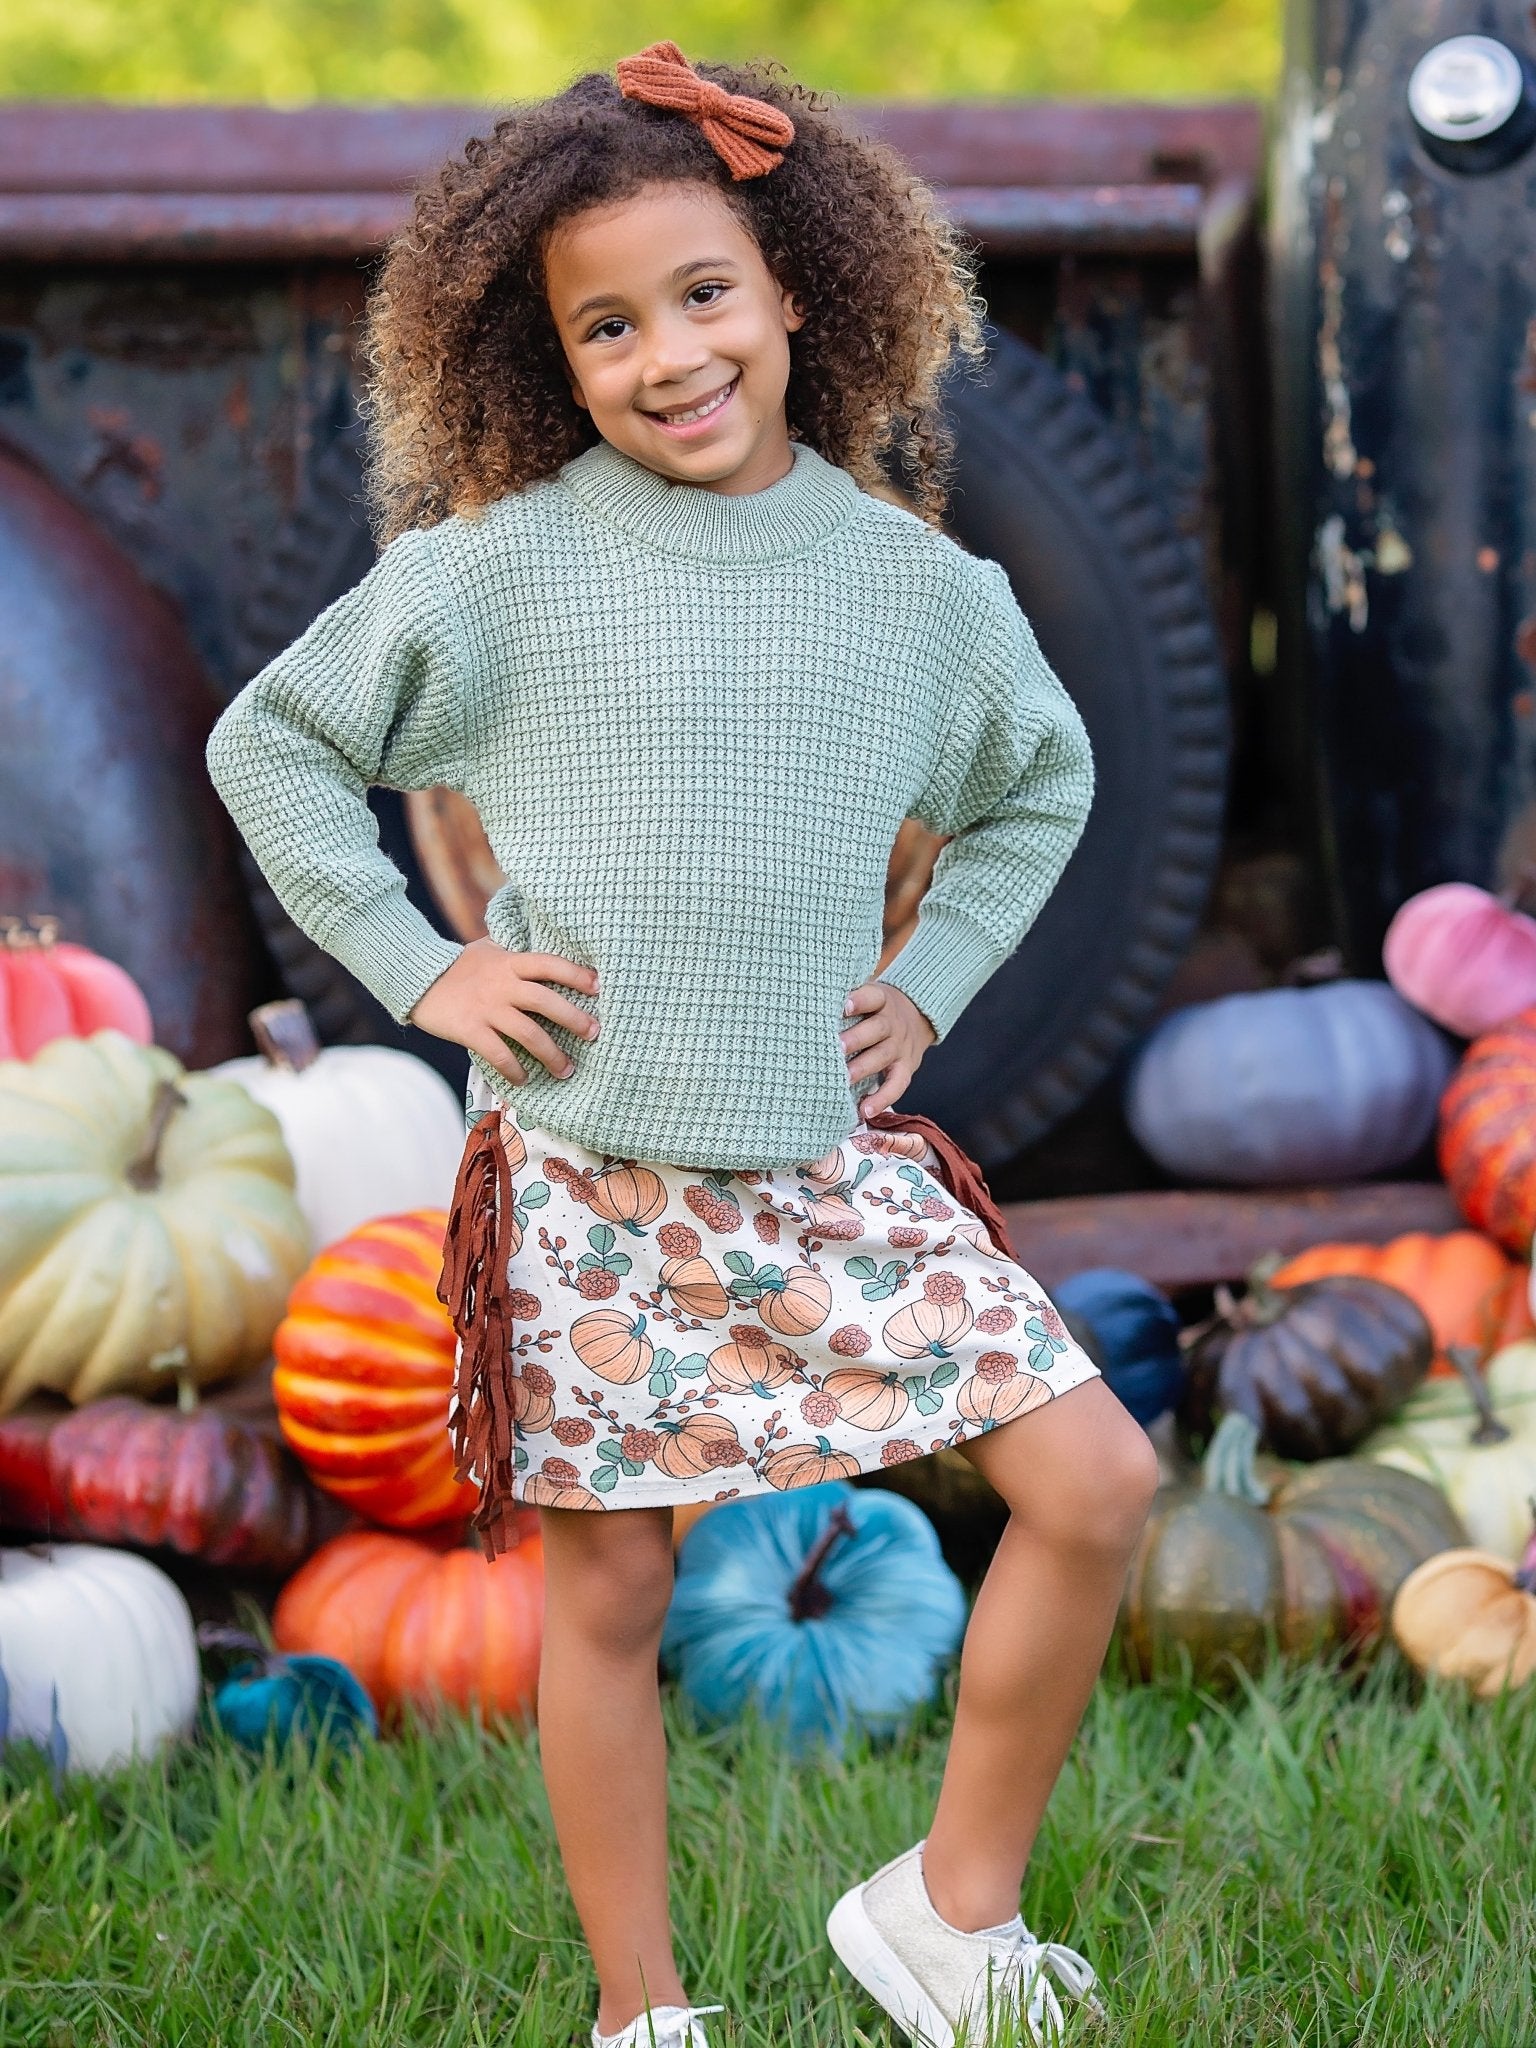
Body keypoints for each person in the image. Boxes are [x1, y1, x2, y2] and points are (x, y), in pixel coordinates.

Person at [206, 41, 1161, 2048]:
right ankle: (644, 2010)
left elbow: (1042, 787)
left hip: (821, 1161)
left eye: (705, 294)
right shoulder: (507, 574)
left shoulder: (918, 593)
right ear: (552, 359)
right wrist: (419, 958)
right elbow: (274, 742)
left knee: (1089, 1481)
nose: (669, 356)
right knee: (610, 1597)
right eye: (608, 325)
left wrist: (943, 975)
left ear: (804, 284)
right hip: (591, 1172)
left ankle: (948, 1911)